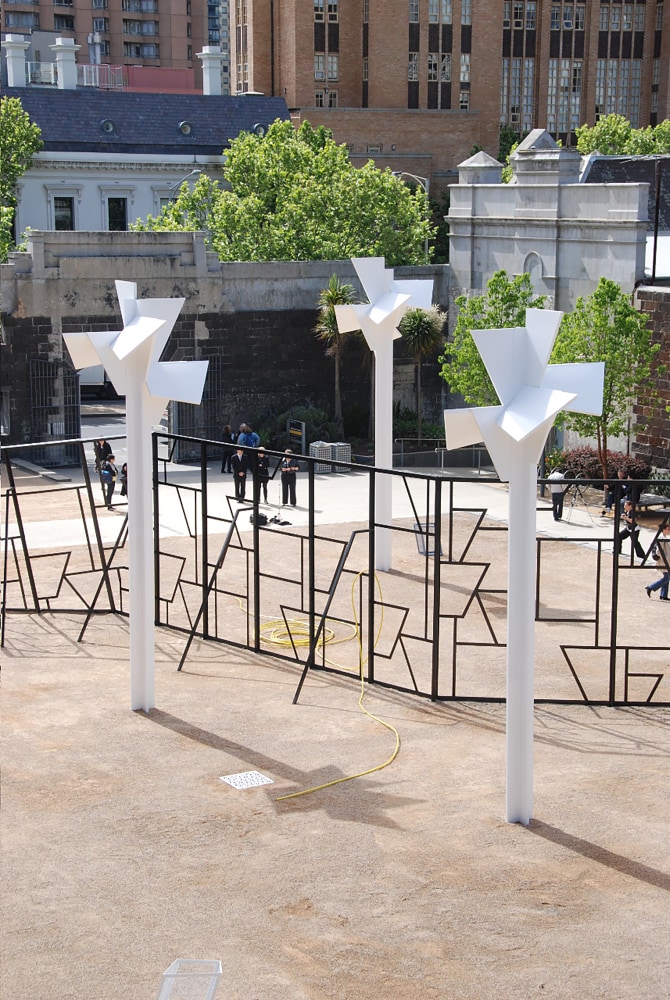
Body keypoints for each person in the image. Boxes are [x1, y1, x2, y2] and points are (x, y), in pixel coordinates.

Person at [645, 523, 670, 600]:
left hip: (665, 561)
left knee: (667, 577)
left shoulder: (663, 537)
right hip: (664, 561)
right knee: (666, 577)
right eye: (668, 529)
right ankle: (651, 587)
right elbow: (659, 551)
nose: (669, 530)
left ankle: (663, 595)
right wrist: (665, 558)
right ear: (663, 529)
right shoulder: (661, 537)